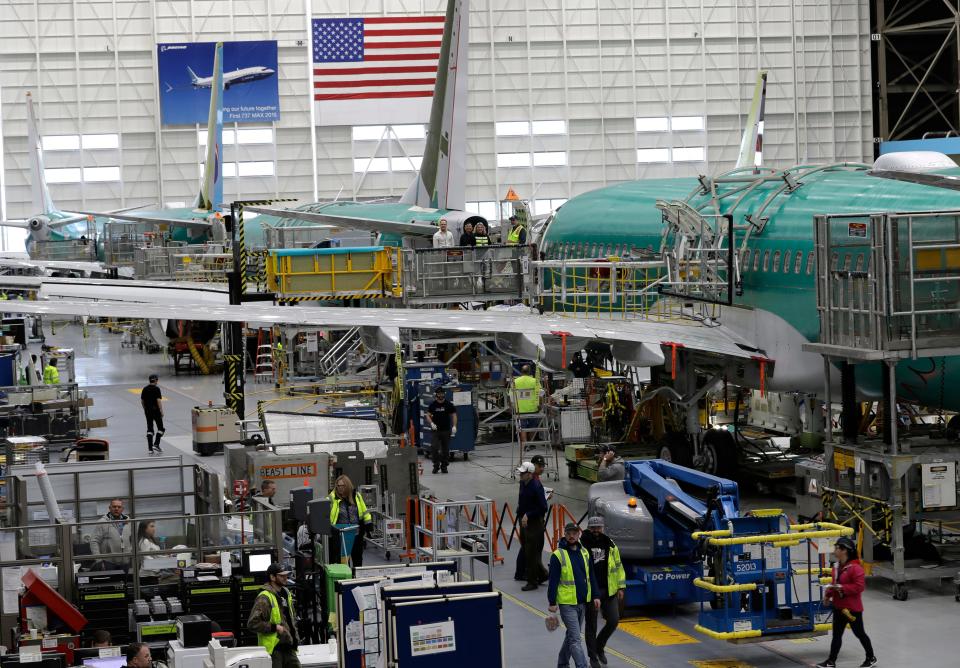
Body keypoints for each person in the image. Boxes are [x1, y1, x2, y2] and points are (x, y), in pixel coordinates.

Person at [816, 538, 877, 668]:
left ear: (844, 551)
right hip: (838, 607)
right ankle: (831, 661)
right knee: (836, 635)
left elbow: (859, 587)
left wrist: (842, 588)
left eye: (837, 547)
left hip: (851, 610)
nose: (835, 550)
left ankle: (871, 657)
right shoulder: (837, 566)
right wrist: (828, 595)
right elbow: (834, 583)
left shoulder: (856, 568)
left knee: (859, 633)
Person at [547, 523, 600, 668]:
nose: (571, 535)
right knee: (576, 639)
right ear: (564, 534)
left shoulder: (584, 553)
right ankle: (582, 665)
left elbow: (591, 576)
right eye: (569, 533)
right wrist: (552, 602)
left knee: (571, 635)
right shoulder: (557, 555)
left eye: (574, 533)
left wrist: (595, 595)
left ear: (579, 534)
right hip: (567, 604)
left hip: (582, 602)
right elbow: (553, 581)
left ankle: (562, 663)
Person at [580, 516, 625, 667]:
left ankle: (599, 646)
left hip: (609, 589)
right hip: (592, 592)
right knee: (591, 625)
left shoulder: (609, 544)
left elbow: (618, 566)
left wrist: (620, 586)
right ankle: (593, 656)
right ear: (589, 528)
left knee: (613, 620)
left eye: (599, 528)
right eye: (593, 528)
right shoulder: (582, 544)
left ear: (603, 528)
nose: (596, 531)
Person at [247, 563, 301, 668]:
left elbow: (290, 618)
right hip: (274, 650)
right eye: (282, 575)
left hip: (289, 647)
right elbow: (252, 623)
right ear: (272, 577)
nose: (286, 578)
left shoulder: (286, 593)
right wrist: (274, 627)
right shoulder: (264, 598)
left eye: (286, 575)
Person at [516, 461, 548, 591]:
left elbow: (543, 507)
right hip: (524, 522)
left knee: (532, 552)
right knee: (526, 549)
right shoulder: (523, 484)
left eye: (523, 473)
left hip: (534, 524)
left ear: (529, 474)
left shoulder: (536, 487)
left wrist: (528, 514)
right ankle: (542, 574)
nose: (520, 475)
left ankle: (532, 581)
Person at [328, 475, 373, 567]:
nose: (340, 488)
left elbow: (365, 511)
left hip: (356, 534)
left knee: (357, 559)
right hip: (342, 536)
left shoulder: (356, 496)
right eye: (338, 486)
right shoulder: (332, 498)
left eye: (342, 486)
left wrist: (368, 524)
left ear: (348, 485)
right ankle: (346, 579)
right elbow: (326, 515)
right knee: (344, 562)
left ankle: (357, 579)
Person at [90, 498, 132, 569]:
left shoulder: (128, 521)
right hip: (108, 563)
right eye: (114, 506)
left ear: (122, 509)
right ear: (109, 508)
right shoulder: (102, 522)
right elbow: (94, 541)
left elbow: (133, 539)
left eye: (119, 507)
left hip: (126, 562)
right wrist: (99, 561)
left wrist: (131, 555)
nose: (116, 509)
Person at [426, 387, 457, 474]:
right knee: (434, 447)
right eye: (439, 394)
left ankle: (444, 466)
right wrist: (431, 423)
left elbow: (454, 415)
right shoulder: (433, 405)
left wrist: (454, 426)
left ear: (444, 394)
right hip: (436, 430)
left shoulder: (448, 404)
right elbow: (427, 415)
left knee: (445, 450)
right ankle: (436, 465)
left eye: (442, 393)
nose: (441, 395)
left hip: (446, 430)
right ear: (436, 395)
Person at [512, 364, 543, 449]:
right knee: (532, 426)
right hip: (533, 408)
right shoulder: (535, 381)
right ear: (529, 372)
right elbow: (540, 394)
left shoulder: (515, 381)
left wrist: (512, 406)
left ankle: (525, 445)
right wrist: (540, 404)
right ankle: (531, 443)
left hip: (520, 409)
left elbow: (511, 395)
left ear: (521, 372)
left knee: (522, 428)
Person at [140, 374, 163, 454]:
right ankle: (156, 444)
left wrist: (145, 409)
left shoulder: (145, 389)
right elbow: (158, 401)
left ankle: (150, 449)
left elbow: (142, 401)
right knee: (161, 428)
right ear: (156, 380)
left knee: (150, 429)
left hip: (148, 411)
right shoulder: (156, 389)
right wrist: (161, 411)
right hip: (156, 411)